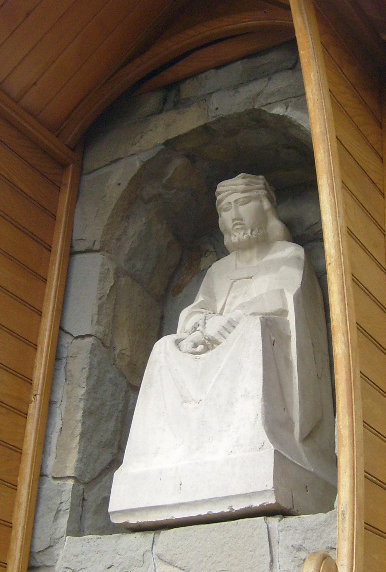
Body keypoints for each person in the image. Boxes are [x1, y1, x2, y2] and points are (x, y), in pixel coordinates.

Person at [108, 173, 336, 527]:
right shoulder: (219, 271)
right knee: (166, 350)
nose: (235, 216)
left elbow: (288, 301)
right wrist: (200, 327)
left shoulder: (290, 256)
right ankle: (166, 458)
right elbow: (197, 309)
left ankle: (253, 445)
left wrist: (236, 318)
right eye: (226, 209)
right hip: (213, 342)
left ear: (265, 208)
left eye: (242, 204)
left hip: (263, 345)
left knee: (252, 333)